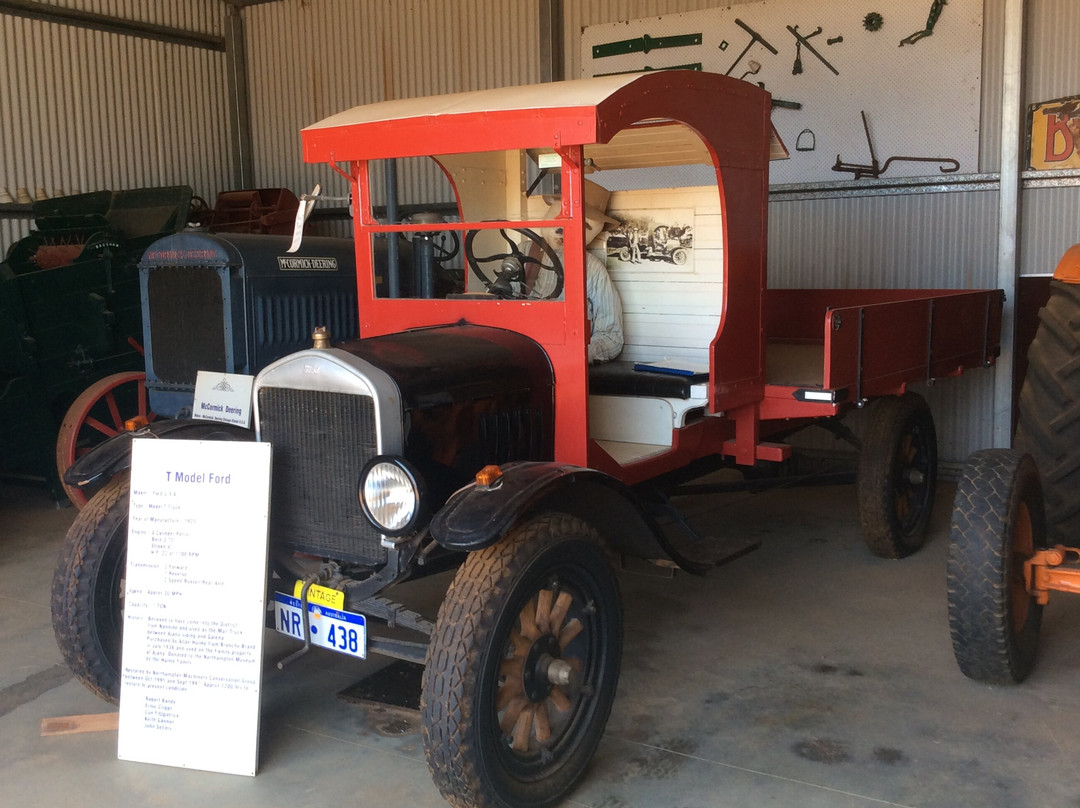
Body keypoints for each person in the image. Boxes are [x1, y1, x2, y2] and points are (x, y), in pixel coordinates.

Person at [533, 181, 624, 364]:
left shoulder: (592, 268)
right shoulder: (523, 252)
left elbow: (611, 335)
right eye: (561, 216)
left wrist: (576, 355)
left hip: (563, 362)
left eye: (585, 225)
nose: (563, 229)